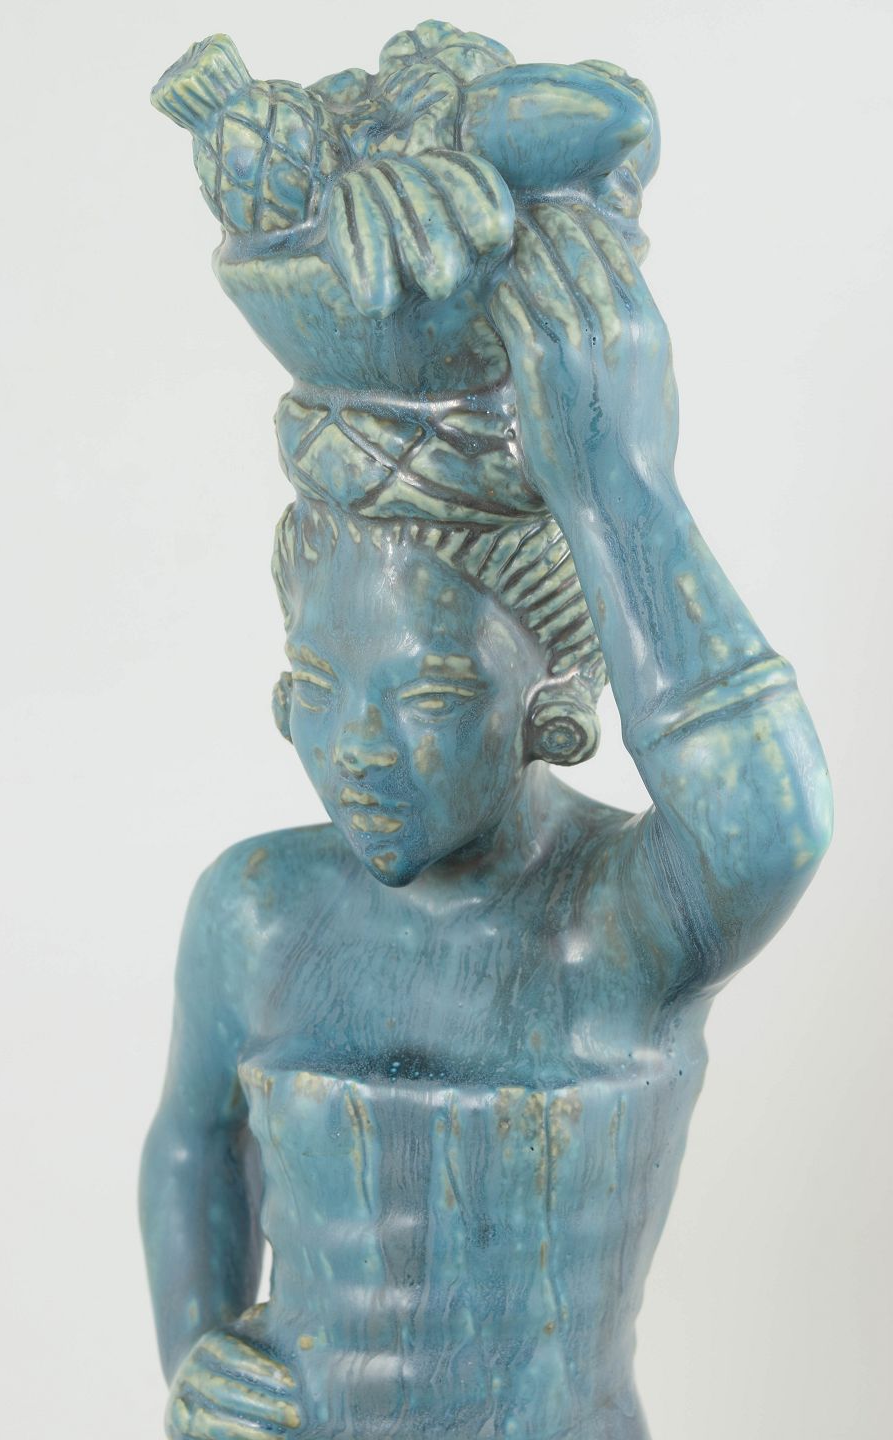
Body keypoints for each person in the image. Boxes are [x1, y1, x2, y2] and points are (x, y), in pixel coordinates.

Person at [142, 22, 832, 1440]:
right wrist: (197, 1357)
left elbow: (772, 817)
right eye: (317, 683)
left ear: (553, 699)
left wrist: (620, 490)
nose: (358, 746)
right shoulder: (255, 913)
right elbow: (191, 1146)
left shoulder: (619, 922)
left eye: (430, 696)